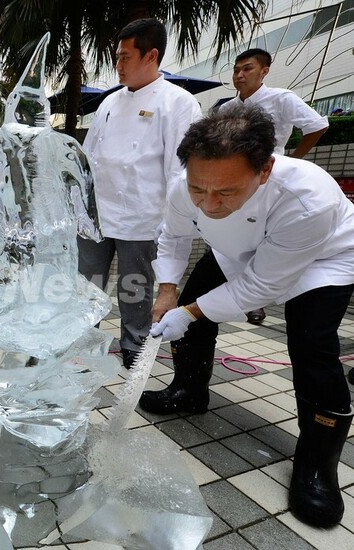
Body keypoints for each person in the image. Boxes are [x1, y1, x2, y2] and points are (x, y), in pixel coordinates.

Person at [140, 106, 354, 529]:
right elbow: (174, 237)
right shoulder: (185, 187)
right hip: (235, 251)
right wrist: (168, 292)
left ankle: (317, 464)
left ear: (265, 169)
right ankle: (189, 390)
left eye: (226, 191)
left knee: (311, 343)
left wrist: (190, 312)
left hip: (323, 259)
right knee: (193, 304)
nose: (209, 204)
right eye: (199, 189)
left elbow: (261, 286)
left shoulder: (308, 199)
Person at [79, 18, 201, 368]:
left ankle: (134, 344)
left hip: (144, 216)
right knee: (86, 285)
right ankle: (83, 340)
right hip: (97, 215)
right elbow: (88, 158)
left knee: (135, 287)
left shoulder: (178, 103)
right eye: (117, 57)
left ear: (151, 56)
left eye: (125, 57)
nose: (118, 64)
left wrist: (172, 222)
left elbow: (180, 171)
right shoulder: (109, 102)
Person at [219, 48, 329, 326]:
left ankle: (265, 295)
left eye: (247, 68)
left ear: (264, 71)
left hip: (270, 179)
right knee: (234, 237)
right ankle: (247, 297)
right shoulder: (227, 109)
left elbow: (317, 125)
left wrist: (294, 159)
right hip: (233, 180)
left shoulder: (281, 98)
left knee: (266, 238)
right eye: (236, 70)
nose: (240, 75)